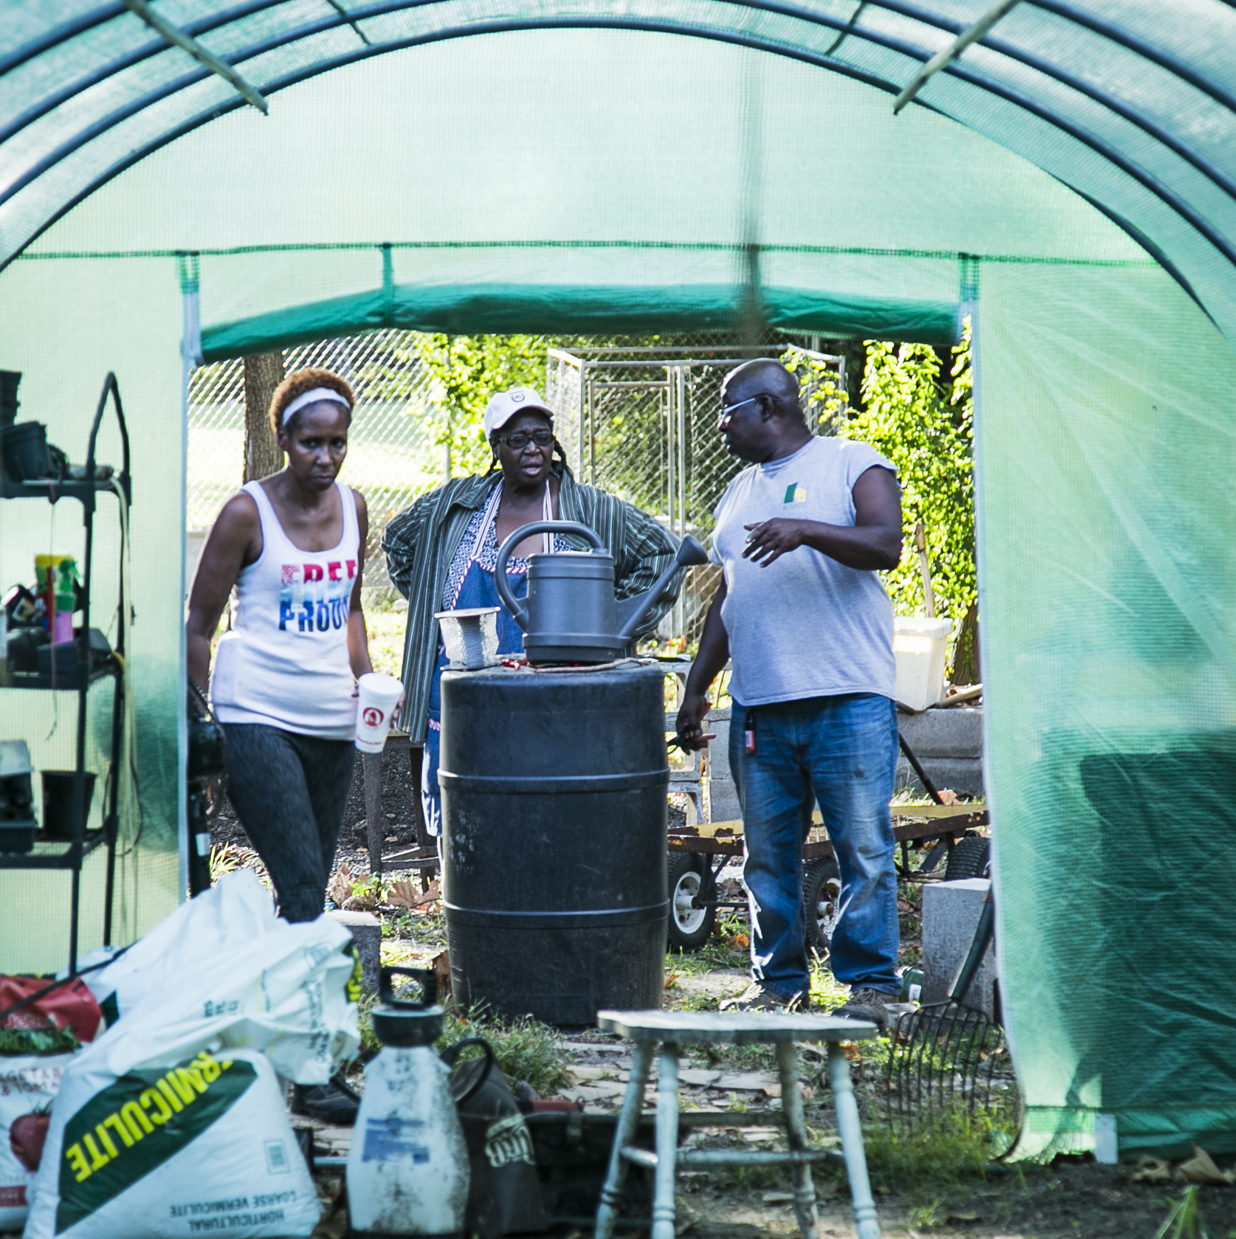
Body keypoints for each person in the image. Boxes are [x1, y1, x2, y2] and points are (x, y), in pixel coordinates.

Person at [675, 359, 906, 1025]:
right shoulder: (740, 491)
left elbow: (884, 543)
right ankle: (775, 984)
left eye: (727, 412)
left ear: (768, 408)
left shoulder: (850, 462)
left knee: (861, 848)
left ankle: (872, 988)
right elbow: (730, 591)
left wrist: (805, 529)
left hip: (845, 698)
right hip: (760, 705)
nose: (720, 426)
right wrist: (697, 687)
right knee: (766, 856)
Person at [384, 386, 678, 836]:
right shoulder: (458, 506)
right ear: (495, 446)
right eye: (517, 439)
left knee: (548, 821)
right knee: (467, 824)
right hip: (464, 701)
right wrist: (431, 595)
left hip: (555, 704)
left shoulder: (587, 509)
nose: (532, 449)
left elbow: (663, 555)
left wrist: (613, 620)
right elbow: (398, 541)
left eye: (541, 436)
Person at [187, 367, 371, 924]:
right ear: (284, 440)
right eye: (312, 443)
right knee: (302, 885)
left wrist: (369, 680)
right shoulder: (247, 513)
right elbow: (199, 624)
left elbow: (352, 608)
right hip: (256, 714)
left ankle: (272, 987)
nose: (326, 457)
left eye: (337, 442)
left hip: (333, 721)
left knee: (306, 892)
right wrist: (199, 726)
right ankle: (301, 1003)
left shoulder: (355, 507)